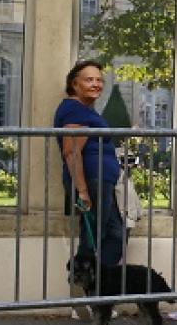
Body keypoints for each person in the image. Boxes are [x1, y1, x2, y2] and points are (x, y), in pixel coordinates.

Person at [54, 60, 125, 268]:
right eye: (89, 80)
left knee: (115, 235)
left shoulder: (84, 110)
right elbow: (71, 151)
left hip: (101, 180)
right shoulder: (75, 110)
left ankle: (99, 286)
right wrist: (82, 191)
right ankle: (85, 280)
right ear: (75, 84)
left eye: (99, 80)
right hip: (94, 182)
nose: (96, 84)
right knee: (93, 236)